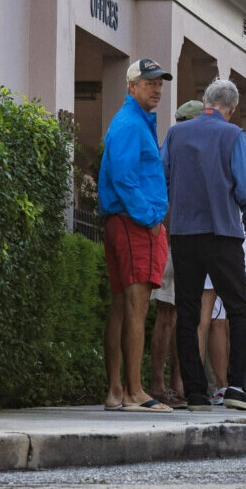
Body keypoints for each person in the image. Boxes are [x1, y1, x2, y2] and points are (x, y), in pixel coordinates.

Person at [161, 79, 246, 412]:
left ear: (204, 101)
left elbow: (164, 177)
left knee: (187, 312)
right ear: (232, 109)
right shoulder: (234, 136)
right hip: (223, 233)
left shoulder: (176, 133)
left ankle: (196, 393)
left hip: (184, 232)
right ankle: (234, 387)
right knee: (239, 308)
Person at [98, 58, 174, 413]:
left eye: (159, 83)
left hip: (126, 222)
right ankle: (134, 392)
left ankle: (116, 391)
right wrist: (150, 218)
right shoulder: (130, 124)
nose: (157, 89)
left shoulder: (134, 122)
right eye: (149, 83)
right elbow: (125, 179)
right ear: (132, 86)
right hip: (133, 223)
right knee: (135, 309)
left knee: (121, 307)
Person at [148, 99, 205, 410]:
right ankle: (159, 383)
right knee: (168, 313)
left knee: (183, 314)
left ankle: (176, 383)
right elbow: (163, 193)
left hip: (185, 238)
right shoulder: (174, 146)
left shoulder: (182, 148)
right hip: (172, 237)